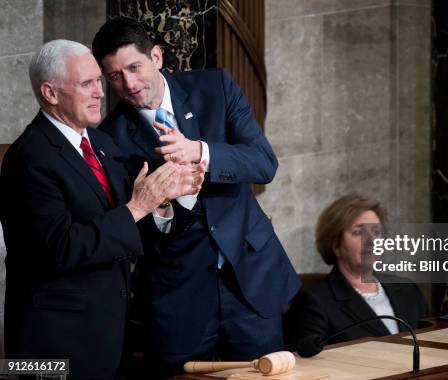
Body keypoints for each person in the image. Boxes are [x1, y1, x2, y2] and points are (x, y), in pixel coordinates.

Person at [91, 17, 300, 376]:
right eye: (114, 76)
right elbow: (133, 231)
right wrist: (167, 203)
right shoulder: (109, 139)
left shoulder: (215, 86)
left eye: (134, 67)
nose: (129, 83)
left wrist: (200, 151)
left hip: (249, 282)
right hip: (179, 297)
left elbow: (264, 163)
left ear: (156, 56)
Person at [0, 40, 203, 379]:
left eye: (98, 81)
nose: (99, 92)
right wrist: (140, 205)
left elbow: (128, 228)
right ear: (50, 93)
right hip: (52, 351)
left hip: (110, 338)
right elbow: (63, 248)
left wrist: (167, 200)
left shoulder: (102, 144)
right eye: (86, 84)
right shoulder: (28, 158)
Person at [284, 194, 428, 350]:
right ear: (335, 245)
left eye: (376, 232)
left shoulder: (407, 289)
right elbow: (308, 364)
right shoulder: (314, 303)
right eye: (358, 232)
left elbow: (432, 345)